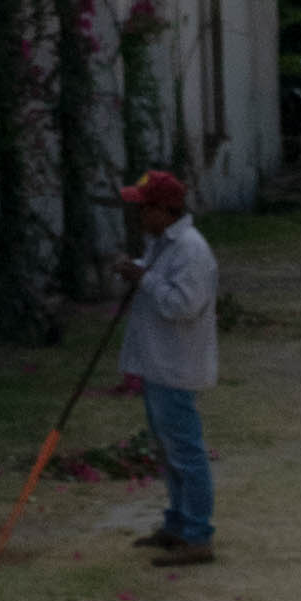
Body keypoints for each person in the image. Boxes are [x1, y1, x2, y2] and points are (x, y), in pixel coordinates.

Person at [118, 162, 219, 562]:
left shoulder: (190, 249)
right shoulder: (162, 243)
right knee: (167, 450)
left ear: (165, 211)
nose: (140, 216)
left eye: (144, 208)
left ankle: (197, 534)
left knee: (185, 451)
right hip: (157, 362)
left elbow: (183, 304)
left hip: (175, 366)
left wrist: (143, 279)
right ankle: (178, 523)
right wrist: (137, 270)